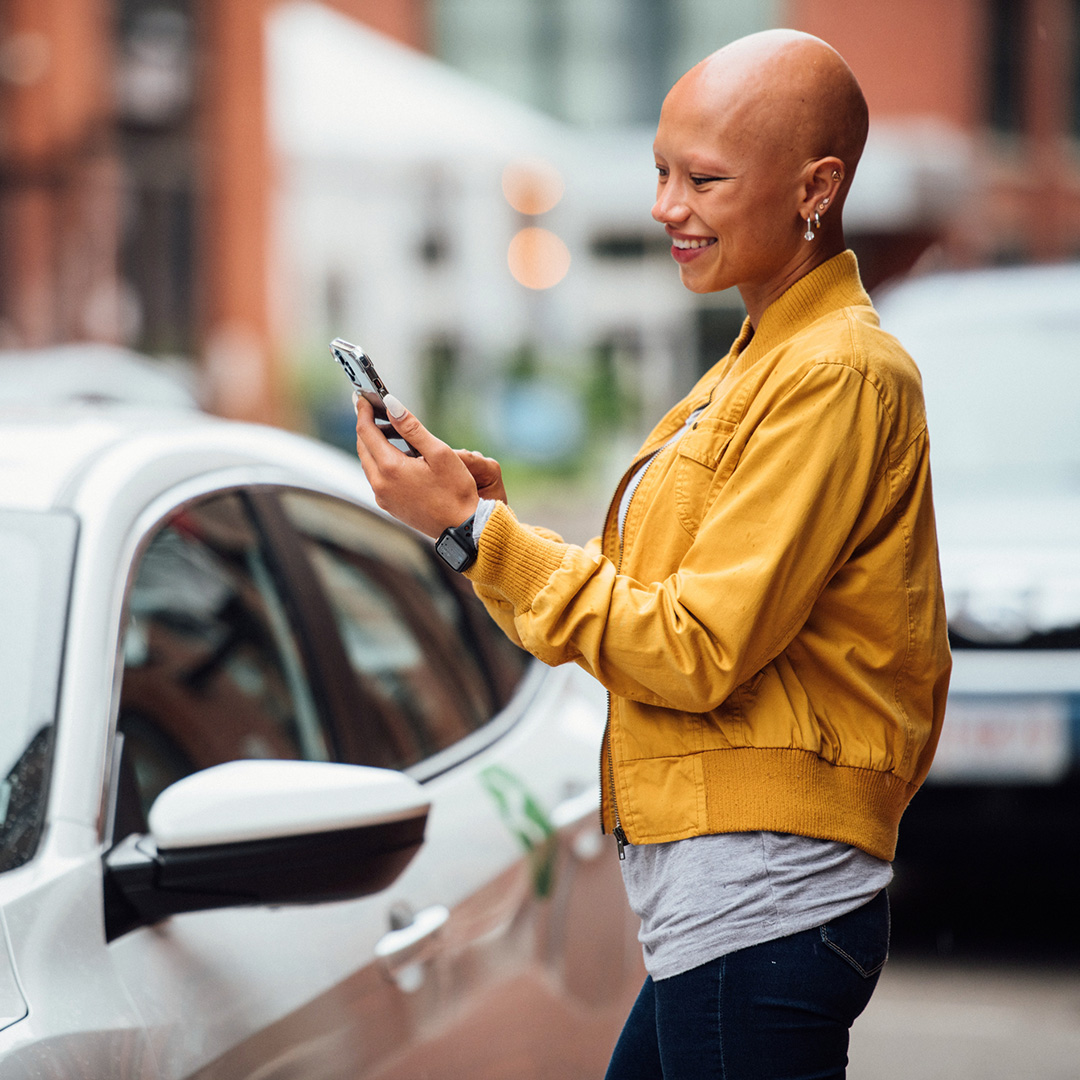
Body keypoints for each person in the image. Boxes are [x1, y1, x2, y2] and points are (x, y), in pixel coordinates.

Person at [353, 28, 951, 1080]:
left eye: (704, 179)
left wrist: (471, 535)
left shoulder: (837, 371)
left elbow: (694, 648)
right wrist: (487, 520)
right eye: (661, 173)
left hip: (762, 896)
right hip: (728, 902)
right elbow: (663, 603)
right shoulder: (761, 357)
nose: (667, 207)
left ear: (817, 187)